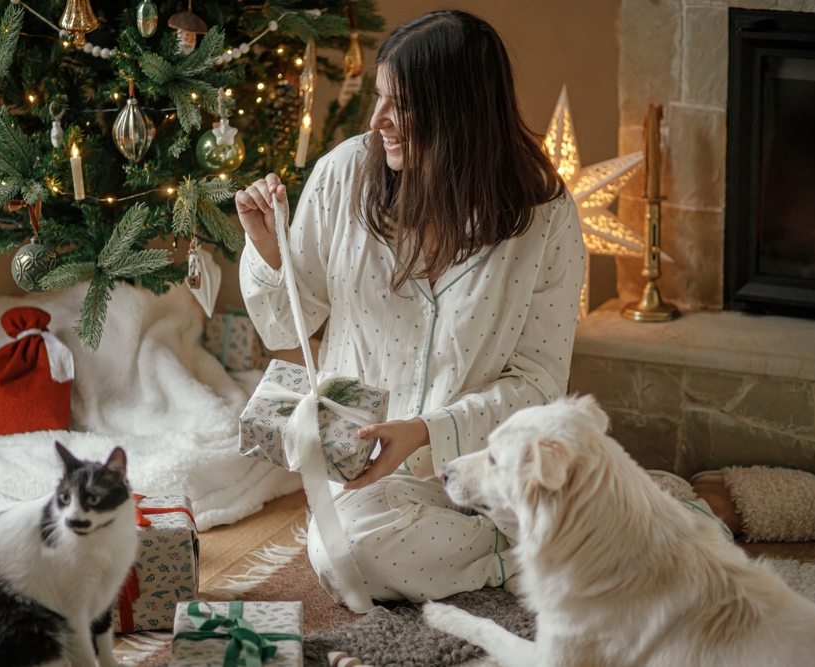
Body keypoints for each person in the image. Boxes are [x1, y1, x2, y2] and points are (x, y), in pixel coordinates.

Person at [235, 10, 585, 604]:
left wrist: (426, 432)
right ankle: (538, 550)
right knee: (346, 553)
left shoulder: (546, 218)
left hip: (487, 466)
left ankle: (525, 539)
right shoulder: (342, 177)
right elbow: (286, 323)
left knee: (355, 552)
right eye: (378, 99)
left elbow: (539, 385)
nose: (378, 124)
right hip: (370, 474)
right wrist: (269, 254)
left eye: (401, 107)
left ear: (461, 113)